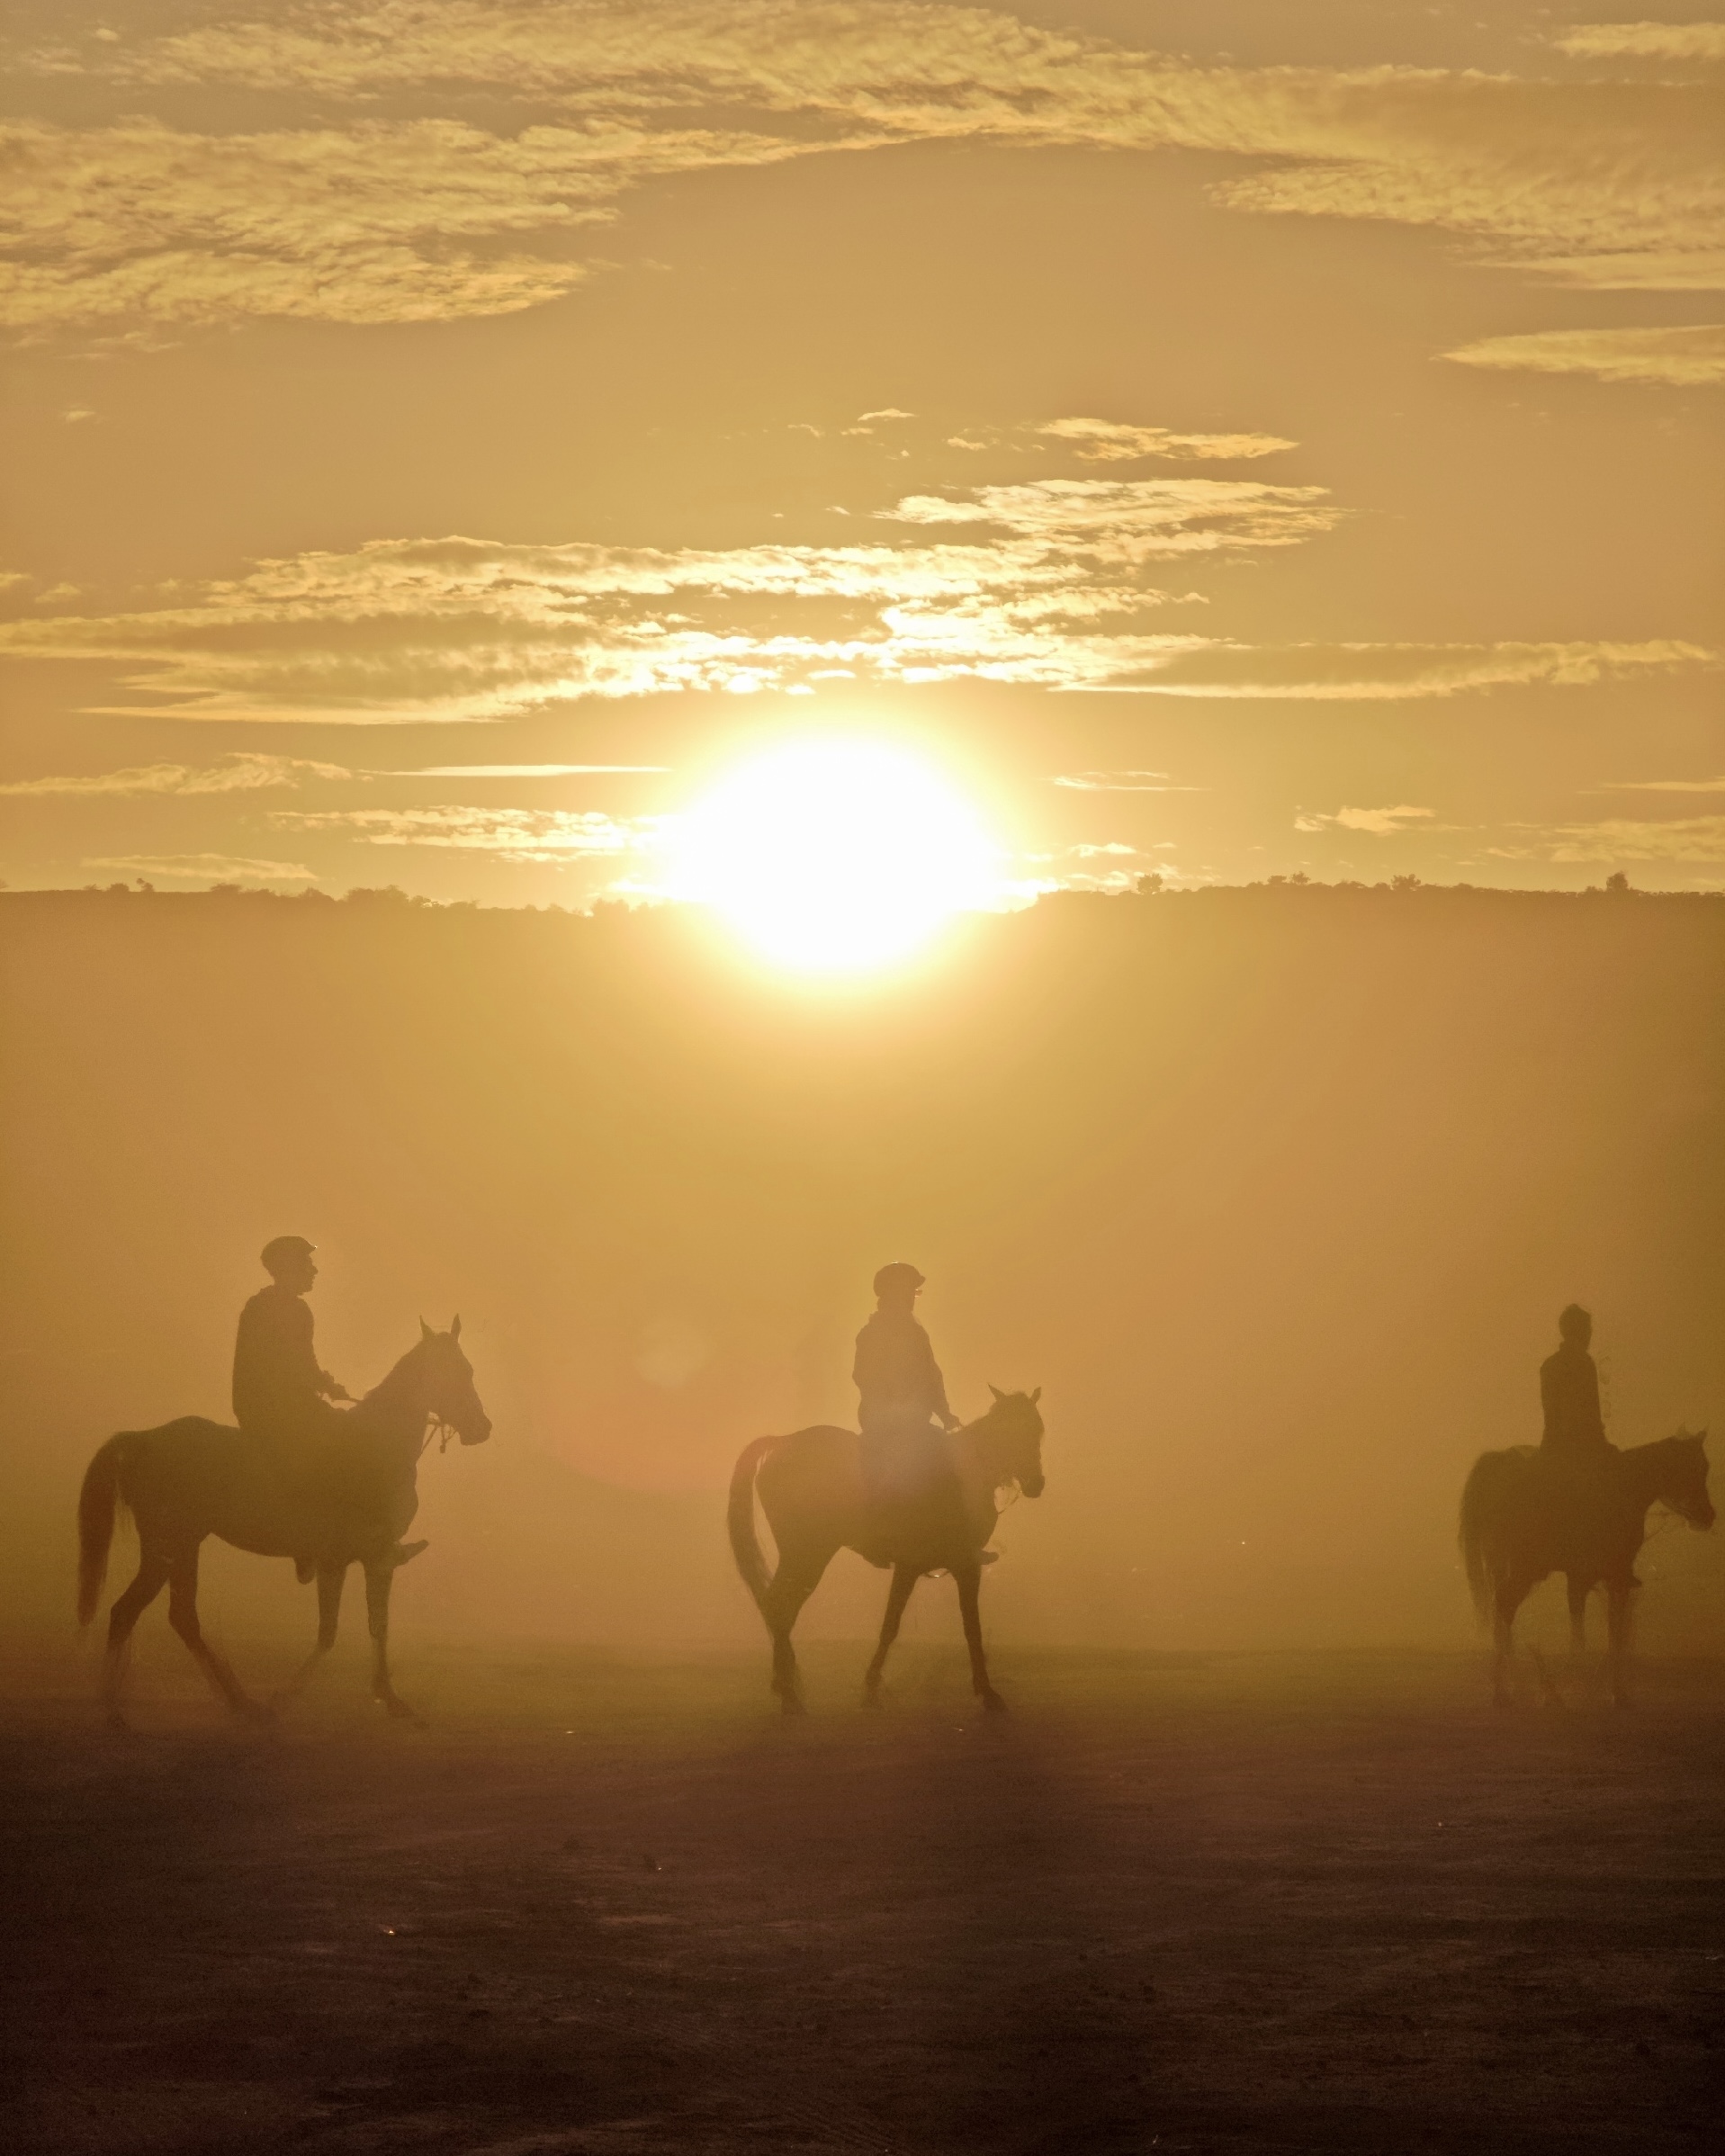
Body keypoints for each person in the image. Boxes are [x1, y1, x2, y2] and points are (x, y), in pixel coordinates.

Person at [232, 1236, 424, 1577]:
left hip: (276, 1404)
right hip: (276, 1407)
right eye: (307, 1264)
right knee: (344, 1446)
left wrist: (325, 1383)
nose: (314, 1271)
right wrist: (320, 1384)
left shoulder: (273, 1306)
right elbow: (289, 1364)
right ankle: (326, 1540)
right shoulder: (281, 1309)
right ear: (289, 1268)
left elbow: (299, 1363)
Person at [1538, 1304, 1613, 1463]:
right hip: (1580, 1447)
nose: (1591, 1333)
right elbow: (1590, 1415)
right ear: (1579, 1331)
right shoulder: (1584, 1363)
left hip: (1551, 1446)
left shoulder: (1549, 1365)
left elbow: (1551, 1418)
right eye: (1587, 1328)